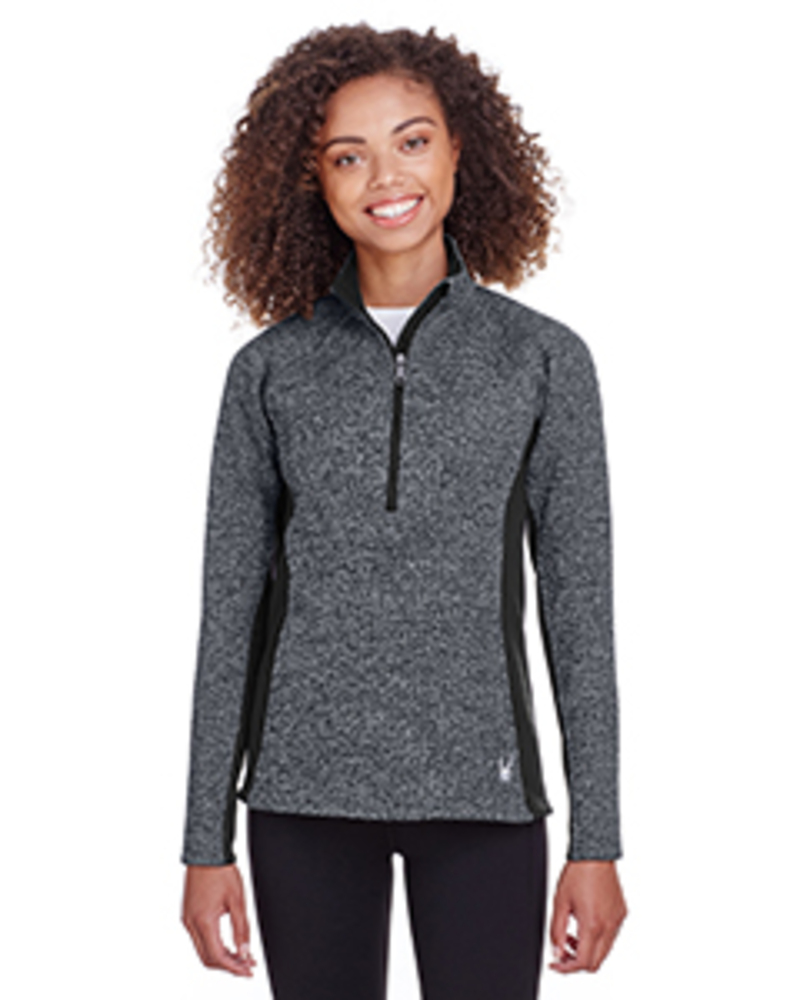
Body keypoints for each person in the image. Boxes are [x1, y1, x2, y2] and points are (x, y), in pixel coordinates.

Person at [180, 22, 627, 999]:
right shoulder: (268, 372)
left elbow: (579, 614)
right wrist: (202, 843)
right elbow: (228, 616)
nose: (386, 176)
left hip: (485, 800)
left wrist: (596, 839)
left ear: (460, 148)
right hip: (302, 802)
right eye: (349, 155)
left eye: (412, 141)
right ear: (313, 179)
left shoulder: (542, 361)